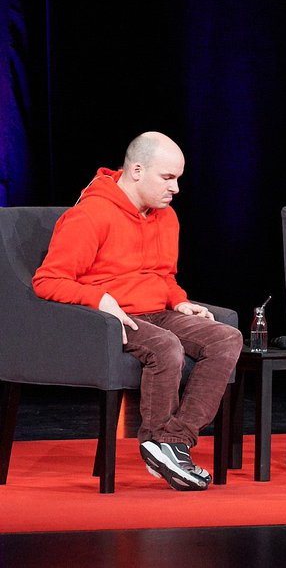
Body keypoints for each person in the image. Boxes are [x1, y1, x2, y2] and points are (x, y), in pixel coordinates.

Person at [32, 132, 242, 491]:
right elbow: (47, 281)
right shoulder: (90, 215)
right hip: (111, 320)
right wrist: (99, 299)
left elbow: (164, 274)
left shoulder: (167, 217)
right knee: (166, 347)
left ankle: (174, 441)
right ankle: (157, 439)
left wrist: (180, 300)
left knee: (226, 337)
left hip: (156, 311)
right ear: (137, 171)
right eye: (167, 178)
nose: (175, 188)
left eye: (178, 178)